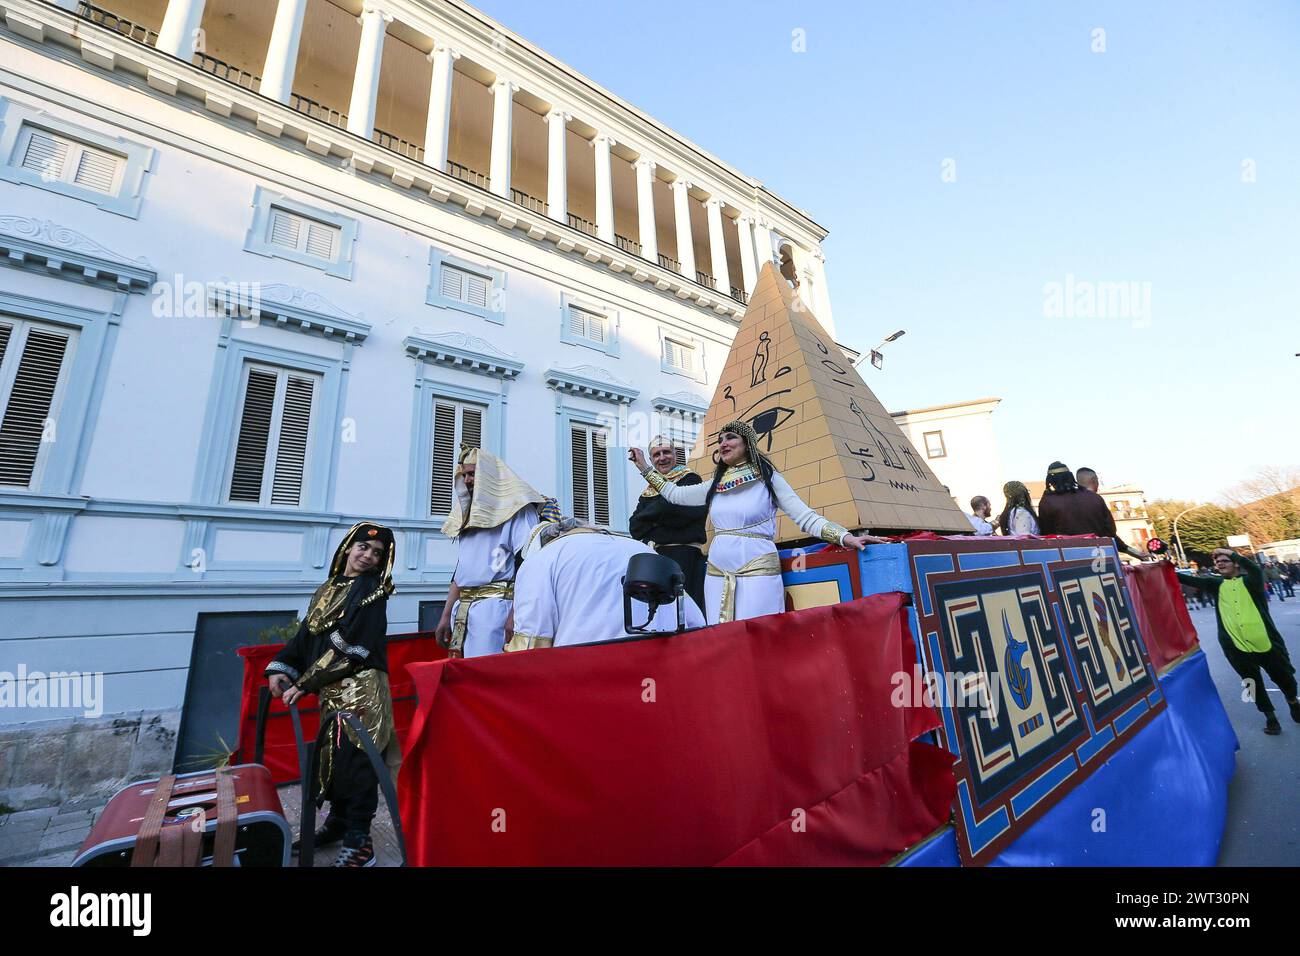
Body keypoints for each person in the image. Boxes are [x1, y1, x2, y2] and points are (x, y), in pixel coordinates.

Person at [629, 420, 882, 624]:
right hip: (717, 570)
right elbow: (674, 494)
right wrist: (643, 467)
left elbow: (805, 517)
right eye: (720, 440)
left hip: (756, 566)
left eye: (730, 438)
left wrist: (845, 537)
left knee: (762, 630)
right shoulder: (715, 485)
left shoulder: (769, 479)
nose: (723, 443)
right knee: (720, 634)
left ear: (747, 443)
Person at [265, 522, 397, 867]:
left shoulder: (372, 593)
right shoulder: (328, 587)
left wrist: (304, 684)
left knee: (358, 764)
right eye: (362, 548)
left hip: (361, 692)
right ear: (348, 547)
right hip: (331, 691)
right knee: (333, 761)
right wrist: (281, 667)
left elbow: (352, 647)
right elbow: (305, 638)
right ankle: (338, 825)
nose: (368, 556)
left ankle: (360, 843)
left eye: (376, 554)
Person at [507, 518, 706, 650]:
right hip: (656, 669)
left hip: (585, 671)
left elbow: (531, 640)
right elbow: (695, 621)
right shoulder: (640, 548)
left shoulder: (542, 559)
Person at [434, 446, 544, 658]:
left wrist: (517, 614)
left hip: (496, 610)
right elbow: (461, 568)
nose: (466, 480)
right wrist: (446, 614)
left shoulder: (518, 510)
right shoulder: (465, 516)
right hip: (463, 610)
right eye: (464, 474)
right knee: (462, 676)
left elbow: (530, 563)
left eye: (472, 474)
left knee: (487, 675)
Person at [1177, 548, 1299, 735]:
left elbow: (1255, 569)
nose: (1220, 564)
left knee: (1284, 676)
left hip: (1266, 642)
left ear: (1236, 563)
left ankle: (1292, 701)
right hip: (1235, 646)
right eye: (1218, 562)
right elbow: (1186, 579)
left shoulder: (1251, 582)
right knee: (1250, 682)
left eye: (1225, 560)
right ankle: (1270, 717)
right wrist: (1164, 567)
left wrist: (1230, 552)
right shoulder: (1215, 584)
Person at [629, 436, 708, 611]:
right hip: (656, 558)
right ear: (651, 460)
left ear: (675, 454)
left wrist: (651, 518)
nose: (662, 458)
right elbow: (635, 527)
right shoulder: (647, 492)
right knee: (660, 614)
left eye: (666, 452)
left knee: (686, 612)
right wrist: (665, 510)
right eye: (657, 454)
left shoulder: (690, 479)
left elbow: (682, 515)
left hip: (685, 556)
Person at [1037, 461, 1147, 560]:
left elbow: (1047, 537)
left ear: (1050, 481)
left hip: (1070, 561)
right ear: (1070, 477)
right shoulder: (1095, 498)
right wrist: (1134, 552)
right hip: (1103, 559)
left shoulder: (1047, 502)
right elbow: (1110, 532)